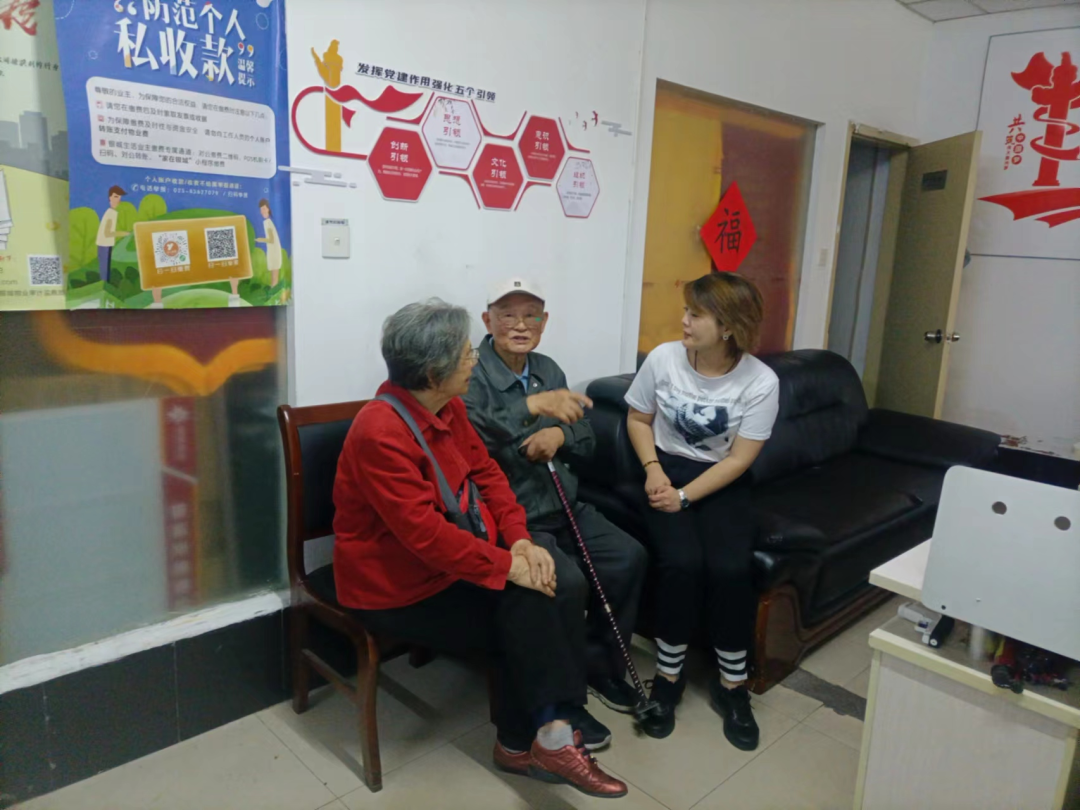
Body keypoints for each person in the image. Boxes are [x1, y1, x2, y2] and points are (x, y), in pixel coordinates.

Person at [332, 299, 627, 799]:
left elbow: (487, 473)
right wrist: (509, 567)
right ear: (433, 373)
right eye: (467, 354)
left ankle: (542, 733)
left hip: (452, 560)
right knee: (526, 608)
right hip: (394, 586)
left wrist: (519, 539)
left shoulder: (445, 407)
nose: (475, 360)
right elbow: (426, 537)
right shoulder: (380, 433)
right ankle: (544, 736)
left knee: (551, 583)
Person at [464, 278, 648, 730]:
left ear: (544, 322)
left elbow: (585, 433)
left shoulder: (548, 368)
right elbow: (473, 435)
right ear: (487, 320)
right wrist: (532, 406)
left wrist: (559, 435)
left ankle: (600, 668)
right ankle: (563, 705)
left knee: (627, 557)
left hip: (565, 504)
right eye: (508, 314)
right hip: (515, 518)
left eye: (531, 315)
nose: (520, 325)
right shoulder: (470, 370)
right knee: (564, 584)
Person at [623, 272, 779, 748]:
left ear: (728, 327)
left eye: (696, 314)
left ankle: (732, 686)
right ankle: (668, 678)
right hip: (665, 469)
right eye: (687, 311)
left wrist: (686, 497)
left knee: (731, 568)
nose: (684, 321)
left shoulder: (761, 381)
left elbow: (739, 459)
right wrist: (653, 470)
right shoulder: (664, 359)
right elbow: (638, 418)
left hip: (723, 479)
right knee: (682, 563)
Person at [95, 185, 130, 292]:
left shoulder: (112, 212)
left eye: (119, 197)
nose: (118, 200)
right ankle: (103, 290)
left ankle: (104, 289)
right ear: (110, 197)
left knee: (106, 269)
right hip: (104, 244)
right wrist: (123, 233)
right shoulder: (111, 213)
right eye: (115, 196)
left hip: (107, 244)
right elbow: (107, 233)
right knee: (104, 270)